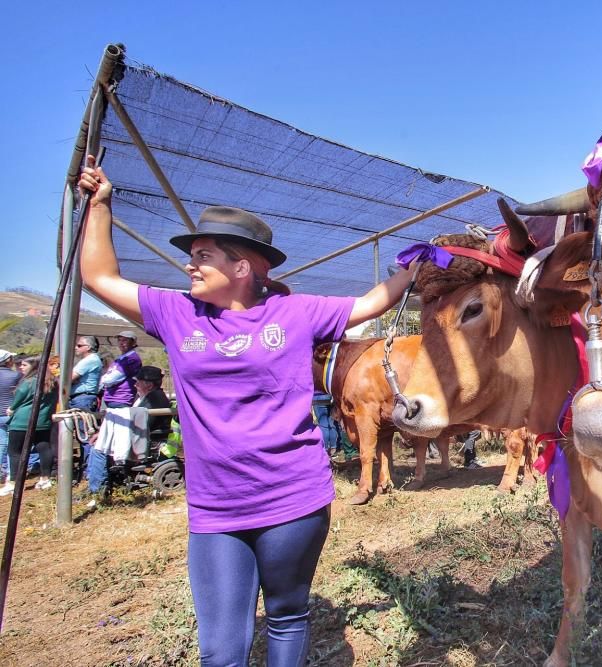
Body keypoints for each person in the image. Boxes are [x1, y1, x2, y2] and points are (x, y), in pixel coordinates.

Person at [78, 155, 418, 666]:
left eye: (203, 254)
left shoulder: (295, 312)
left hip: (294, 497)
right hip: (216, 510)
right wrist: (100, 206)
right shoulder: (176, 313)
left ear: (241, 267)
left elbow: (370, 303)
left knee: (285, 615)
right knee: (220, 651)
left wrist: (412, 267)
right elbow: (99, 277)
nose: (190, 264)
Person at [87, 330, 143, 502]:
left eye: (126, 340)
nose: (122, 343)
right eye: (120, 340)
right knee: (104, 447)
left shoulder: (130, 359)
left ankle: (100, 487)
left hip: (120, 406)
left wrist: (105, 379)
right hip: (114, 405)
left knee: (105, 448)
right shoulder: (122, 359)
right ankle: (98, 485)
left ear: (134, 342)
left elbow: (110, 379)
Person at [3, 357, 58, 494]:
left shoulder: (29, 382)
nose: (21, 367)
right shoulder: (52, 382)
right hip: (43, 421)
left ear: (34, 367)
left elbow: (18, 399)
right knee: (44, 447)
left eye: (24, 365)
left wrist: (11, 408)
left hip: (22, 421)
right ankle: (45, 479)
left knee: (15, 451)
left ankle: (13, 482)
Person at [134, 365, 173, 450]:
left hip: (149, 442)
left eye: (138, 382)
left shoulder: (155, 399)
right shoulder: (144, 397)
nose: (135, 385)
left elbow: (142, 423)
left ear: (150, 385)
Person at [0, 349, 21, 493]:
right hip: (10, 413)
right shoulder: (16, 376)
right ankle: (9, 473)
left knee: (1, 442)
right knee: (11, 446)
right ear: (8, 361)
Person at [69, 335, 103, 411]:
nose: (76, 348)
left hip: (82, 400)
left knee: (80, 422)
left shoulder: (90, 360)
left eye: (79, 345)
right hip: (82, 399)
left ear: (88, 347)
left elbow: (69, 379)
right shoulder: (92, 359)